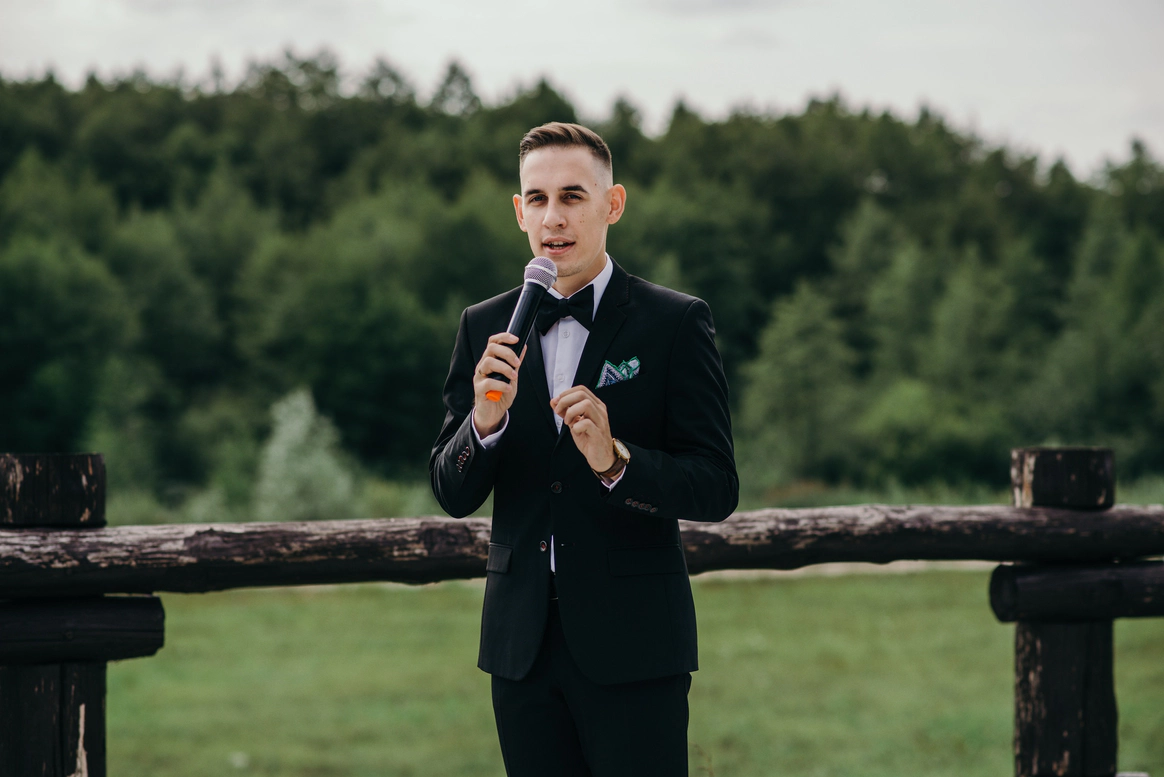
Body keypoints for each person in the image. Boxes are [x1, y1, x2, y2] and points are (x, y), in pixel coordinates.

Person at [430, 122, 737, 776]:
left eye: (573, 196)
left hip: (636, 644)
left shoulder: (674, 321)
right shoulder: (483, 325)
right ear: (519, 212)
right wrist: (484, 424)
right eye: (538, 199)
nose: (554, 217)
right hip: (520, 649)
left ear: (612, 204)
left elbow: (716, 486)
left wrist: (616, 461)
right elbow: (452, 492)